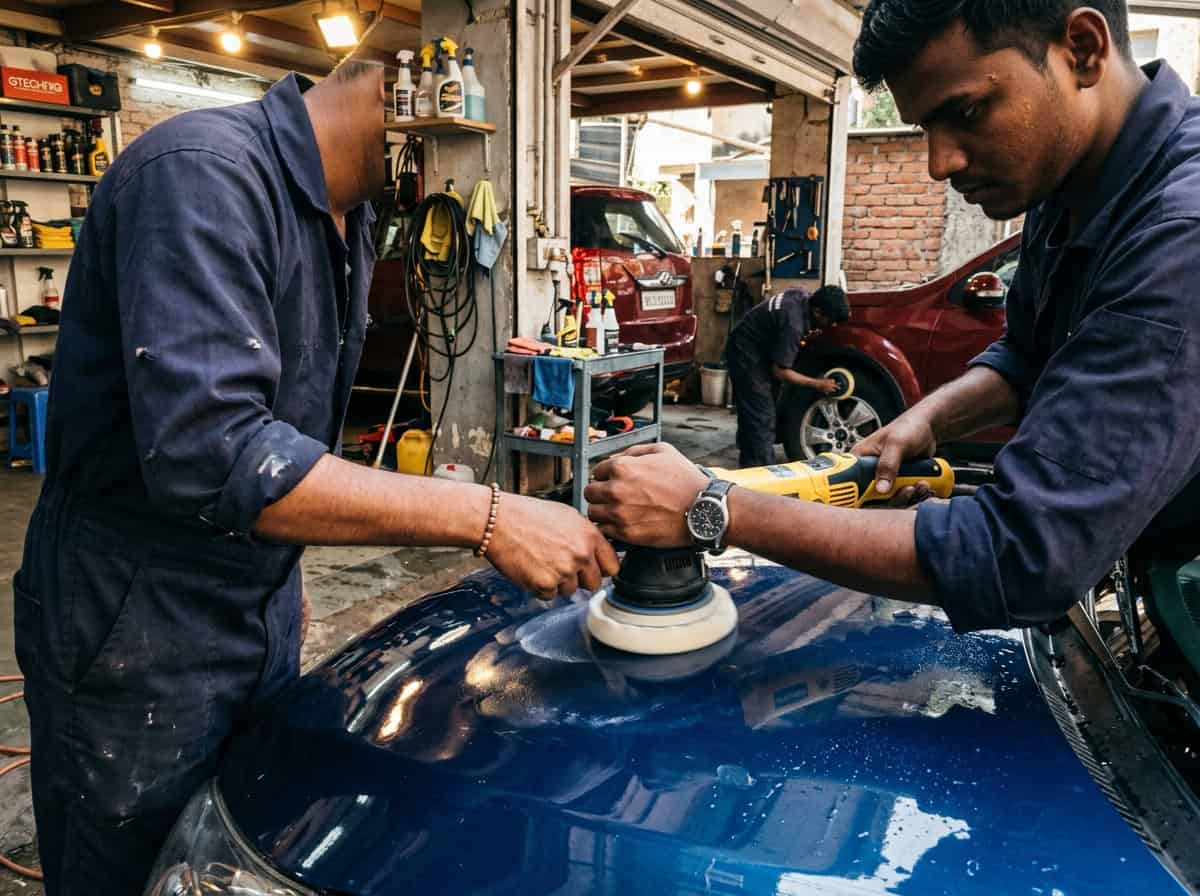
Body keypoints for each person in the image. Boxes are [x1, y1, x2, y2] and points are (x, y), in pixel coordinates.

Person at [14, 60, 617, 895]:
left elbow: (284, 444)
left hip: (253, 604)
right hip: (134, 623)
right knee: (128, 868)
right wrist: (487, 515)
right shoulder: (201, 176)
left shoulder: (351, 214)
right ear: (394, 94)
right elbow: (216, 453)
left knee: (226, 853)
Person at [586, 1, 1200, 633]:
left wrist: (713, 506)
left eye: (964, 112)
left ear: (1082, 48)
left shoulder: (1182, 238)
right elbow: (1026, 359)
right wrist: (927, 418)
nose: (940, 164)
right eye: (923, 128)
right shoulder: (1070, 188)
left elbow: (1023, 557)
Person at [725, 285, 850, 467]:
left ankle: (748, 460)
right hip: (746, 354)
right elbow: (780, 371)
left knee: (759, 412)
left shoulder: (802, 296)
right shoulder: (793, 324)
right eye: (830, 321)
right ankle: (761, 475)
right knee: (761, 417)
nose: (833, 325)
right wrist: (818, 384)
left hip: (759, 348)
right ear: (817, 311)